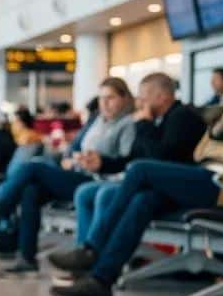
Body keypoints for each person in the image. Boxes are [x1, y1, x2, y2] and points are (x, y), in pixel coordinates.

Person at [50, 57, 223, 296]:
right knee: (144, 199)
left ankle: (92, 248)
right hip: (211, 179)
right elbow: (201, 152)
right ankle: (101, 281)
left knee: (140, 170)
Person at [0, 79, 136, 275]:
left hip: (99, 180)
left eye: (110, 98)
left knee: (33, 168)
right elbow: (74, 147)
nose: (105, 103)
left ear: (124, 99)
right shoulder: (97, 120)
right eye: (102, 98)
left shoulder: (128, 124)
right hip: (77, 173)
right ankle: (27, 259)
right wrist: (70, 158)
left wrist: (98, 161)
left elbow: (126, 163)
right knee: (30, 191)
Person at [67, 73, 206, 252]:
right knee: (85, 193)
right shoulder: (157, 121)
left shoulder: (181, 117)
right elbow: (134, 159)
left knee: (105, 194)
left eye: (143, 98)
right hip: (152, 185)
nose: (140, 103)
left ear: (161, 97)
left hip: (177, 189)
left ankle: (93, 252)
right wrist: (102, 164)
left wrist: (143, 125)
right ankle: (85, 252)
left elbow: (160, 159)